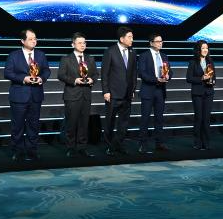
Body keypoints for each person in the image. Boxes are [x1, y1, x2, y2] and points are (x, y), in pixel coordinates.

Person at [4, 29, 51, 160]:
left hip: (36, 95)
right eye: (30, 39)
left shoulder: (41, 55)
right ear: (22, 41)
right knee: (17, 126)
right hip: (19, 95)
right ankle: (17, 151)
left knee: (33, 125)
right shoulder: (14, 55)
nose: (33, 41)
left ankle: (32, 150)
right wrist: (23, 78)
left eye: (35, 38)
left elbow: (47, 71)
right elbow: (7, 73)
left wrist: (42, 78)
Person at [58, 32, 98, 157]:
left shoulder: (90, 59)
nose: (82, 45)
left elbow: (96, 75)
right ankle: (70, 147)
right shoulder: (66, 59)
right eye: (79, 43)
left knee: (84, 123)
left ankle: (82, 147)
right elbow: (61, 75)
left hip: (86, 95)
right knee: (71, 123)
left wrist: (92, 80)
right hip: (72, 95)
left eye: (84, 43)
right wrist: (74, 80)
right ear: (73, 44)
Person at [101, 26, 136, 155]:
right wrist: (106, 91)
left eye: (132, 37)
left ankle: (118, 144)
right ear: (121, 38)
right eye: (129, 37)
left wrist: (133, 89)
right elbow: (104, 73)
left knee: (124, 122)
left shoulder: (132, 52)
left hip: (127, 94)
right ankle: (109, 146)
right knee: (109, 122)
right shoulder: (110, 51)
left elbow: (134, 73)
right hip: (113, 94)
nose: (132, 39)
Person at [138, 33, 171, 154]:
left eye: (161, 41)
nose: (160, 43)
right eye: (157, 41)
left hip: (160, 91)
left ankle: (159, 143)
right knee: (145, 119)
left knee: (159, 119)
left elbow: (170, 71)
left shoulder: (164, 56)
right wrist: (156, 79)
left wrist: (168, 76)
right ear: (151, 43)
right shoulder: (144, 56)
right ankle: (142, 144)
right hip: (148, 90)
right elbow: (142, 73)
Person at [185, 40, 216, 150]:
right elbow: (189, 78)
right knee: (199, 118)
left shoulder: (210, 61)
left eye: (206, 48)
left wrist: (212, 81)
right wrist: (201, 78)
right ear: (198, 49)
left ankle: (206, 142)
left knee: (206, 118)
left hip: (209, 92)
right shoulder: (193, 61)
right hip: (197, 93)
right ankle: (197, 142)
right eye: (203, 48)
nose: (205, 50)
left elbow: (214, 76)